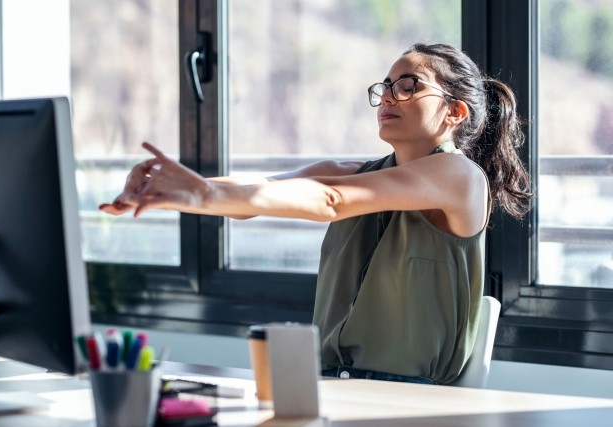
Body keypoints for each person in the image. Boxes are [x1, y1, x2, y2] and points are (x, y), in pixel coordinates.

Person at [100, 43, 532, 385]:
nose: (388, 96)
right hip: (329, 383)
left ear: (455, 111)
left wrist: (200, 194)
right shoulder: (354, 174)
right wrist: (179, 190)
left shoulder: (459, 175)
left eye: (408, 85)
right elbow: (264, 192)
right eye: (385, 86)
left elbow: (331, 200)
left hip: (406, 395)